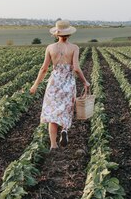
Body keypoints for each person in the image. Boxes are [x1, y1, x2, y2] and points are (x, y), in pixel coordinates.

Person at [30, 20, 90, 150]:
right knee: (66, 109)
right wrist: (85, 81)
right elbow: (76, 68)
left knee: (52, 113)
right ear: (69, 34)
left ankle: (53, 144)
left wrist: (35, 85)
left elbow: (44, 69)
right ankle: (64, 130)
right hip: (68, 82)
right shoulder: (74, 48)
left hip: (54, 83)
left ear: (56, 34)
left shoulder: (50, 48)